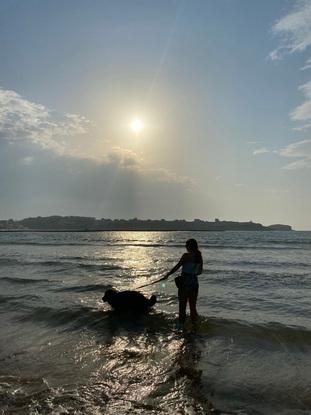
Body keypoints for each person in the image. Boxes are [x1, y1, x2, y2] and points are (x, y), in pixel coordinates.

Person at [162, 238, 203, 324]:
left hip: (184, 283)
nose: (185, 247)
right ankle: (194, 326)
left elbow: (177, 267)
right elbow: (199, 272)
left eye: (186, 245)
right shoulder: (199, 256)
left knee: (182, 307)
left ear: (189, 246)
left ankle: (181, 327)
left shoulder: (186, 256)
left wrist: (168, 274)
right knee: (193, 307)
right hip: (194, 283)